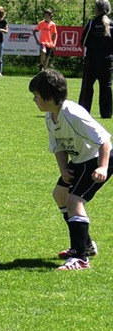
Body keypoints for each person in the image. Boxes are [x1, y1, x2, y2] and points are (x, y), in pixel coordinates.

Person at [29, 69, 111, 271]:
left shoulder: (72, 113)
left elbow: (104, 139)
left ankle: (80, 258)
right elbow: (58, 147)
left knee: (74, 200)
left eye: (37, 96)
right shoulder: (51, 117)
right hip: (80, 161)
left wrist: (102, 166)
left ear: (49, 96)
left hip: (97, 158)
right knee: (60, 195)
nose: (34, 100)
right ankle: (85, 245)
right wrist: (64, 169)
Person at [78, 0, 113, 119]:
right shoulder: (112, 24)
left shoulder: (92, 24)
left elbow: (83, 42)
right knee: (106, 87)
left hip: (91, 61)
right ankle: (106, 113)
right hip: (107, 61)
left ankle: (83, 112)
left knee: (87, 87)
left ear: (96, 10)